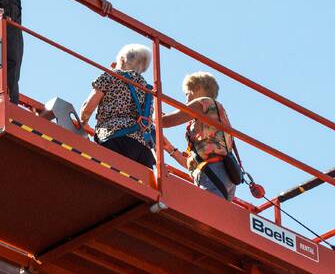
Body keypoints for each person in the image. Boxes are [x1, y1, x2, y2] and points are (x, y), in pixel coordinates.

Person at [161, 72, 237, 201]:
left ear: (197, 89)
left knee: (209, 214)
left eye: (187, 94)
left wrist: (153, 113)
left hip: (212, 173)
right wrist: (169, 148)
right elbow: (192, 164)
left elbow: (165, 121)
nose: (186, 100)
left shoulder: (203, 103)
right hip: (219, 173)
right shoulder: (213, 117)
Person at [79, 45, 156, 168]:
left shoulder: (111, 75)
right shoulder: (148, 91)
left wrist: (83, 123)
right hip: (144, 149)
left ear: (122, 60)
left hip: (115, 138)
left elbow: (88, 106)